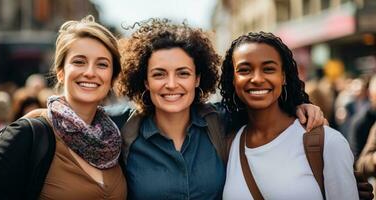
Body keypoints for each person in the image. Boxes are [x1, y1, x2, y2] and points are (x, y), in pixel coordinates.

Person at [118, 19, 324, 200]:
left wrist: (299, 105)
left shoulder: (222, 121)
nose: (171, 84)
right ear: (145, 81)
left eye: (183, 73)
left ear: (197, 78)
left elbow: (263, 104)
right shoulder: (124, 131)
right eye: (159, 74)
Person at [0, 15, 126, 200]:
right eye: (79, 62)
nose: (90, 72)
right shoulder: (25, 134)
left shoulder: (116, 139)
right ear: (61, 72)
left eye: (102, 64)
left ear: (112, 78)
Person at [220, 32, 358, 199]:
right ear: (233, 79)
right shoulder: (229, 145)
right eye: (244, 70)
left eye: (269, 69)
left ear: (283, 76)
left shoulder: (327, 142)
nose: (257, 78)